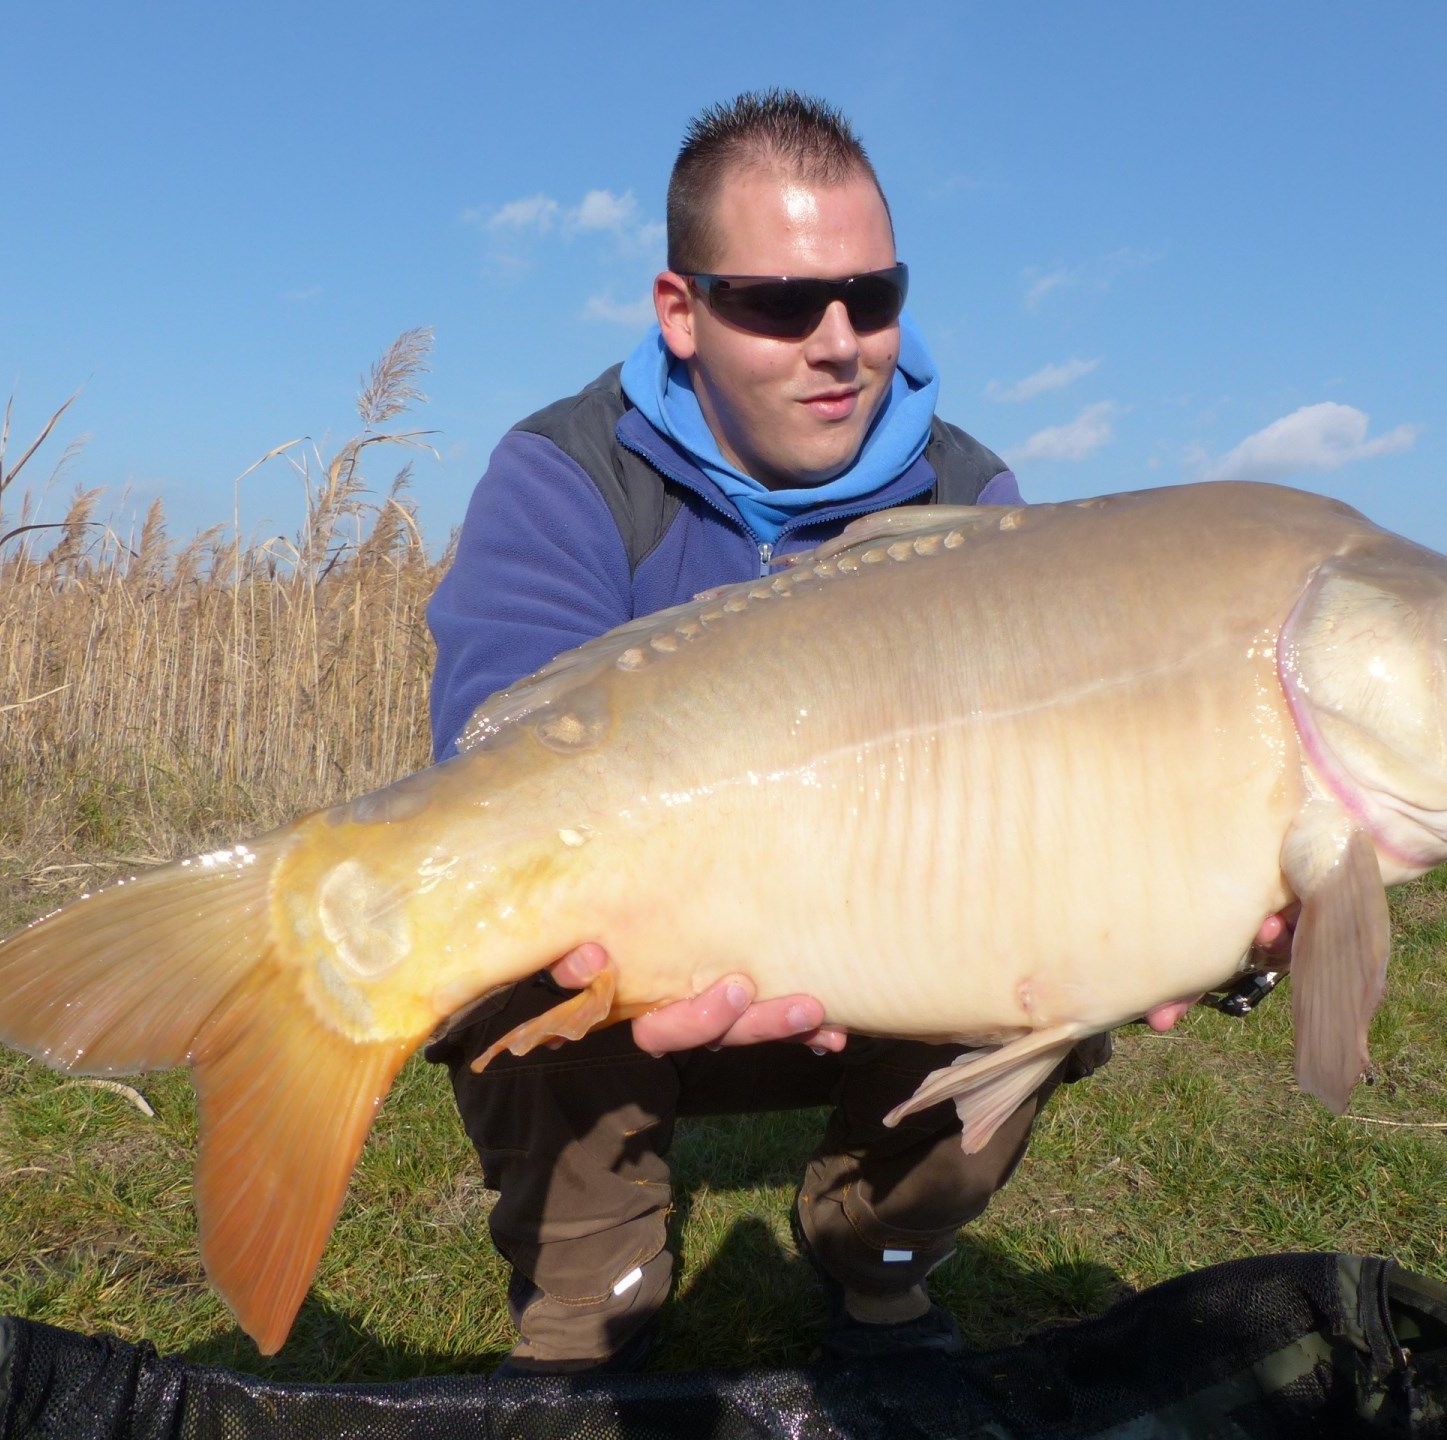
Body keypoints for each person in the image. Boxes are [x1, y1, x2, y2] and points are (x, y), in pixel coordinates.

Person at [423, 88, 1284, 1375]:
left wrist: (1224, 924)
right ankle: (592, 1290)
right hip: (652, 959)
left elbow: (1059, 783)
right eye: (778, 304)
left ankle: (877, 1254)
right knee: (488, 919)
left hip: (894, 937)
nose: (840, 343)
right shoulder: (565, 471)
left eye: (871, 298)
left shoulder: (973, 498)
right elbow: (491, 763)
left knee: (1049, 955)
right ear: (681, 310)